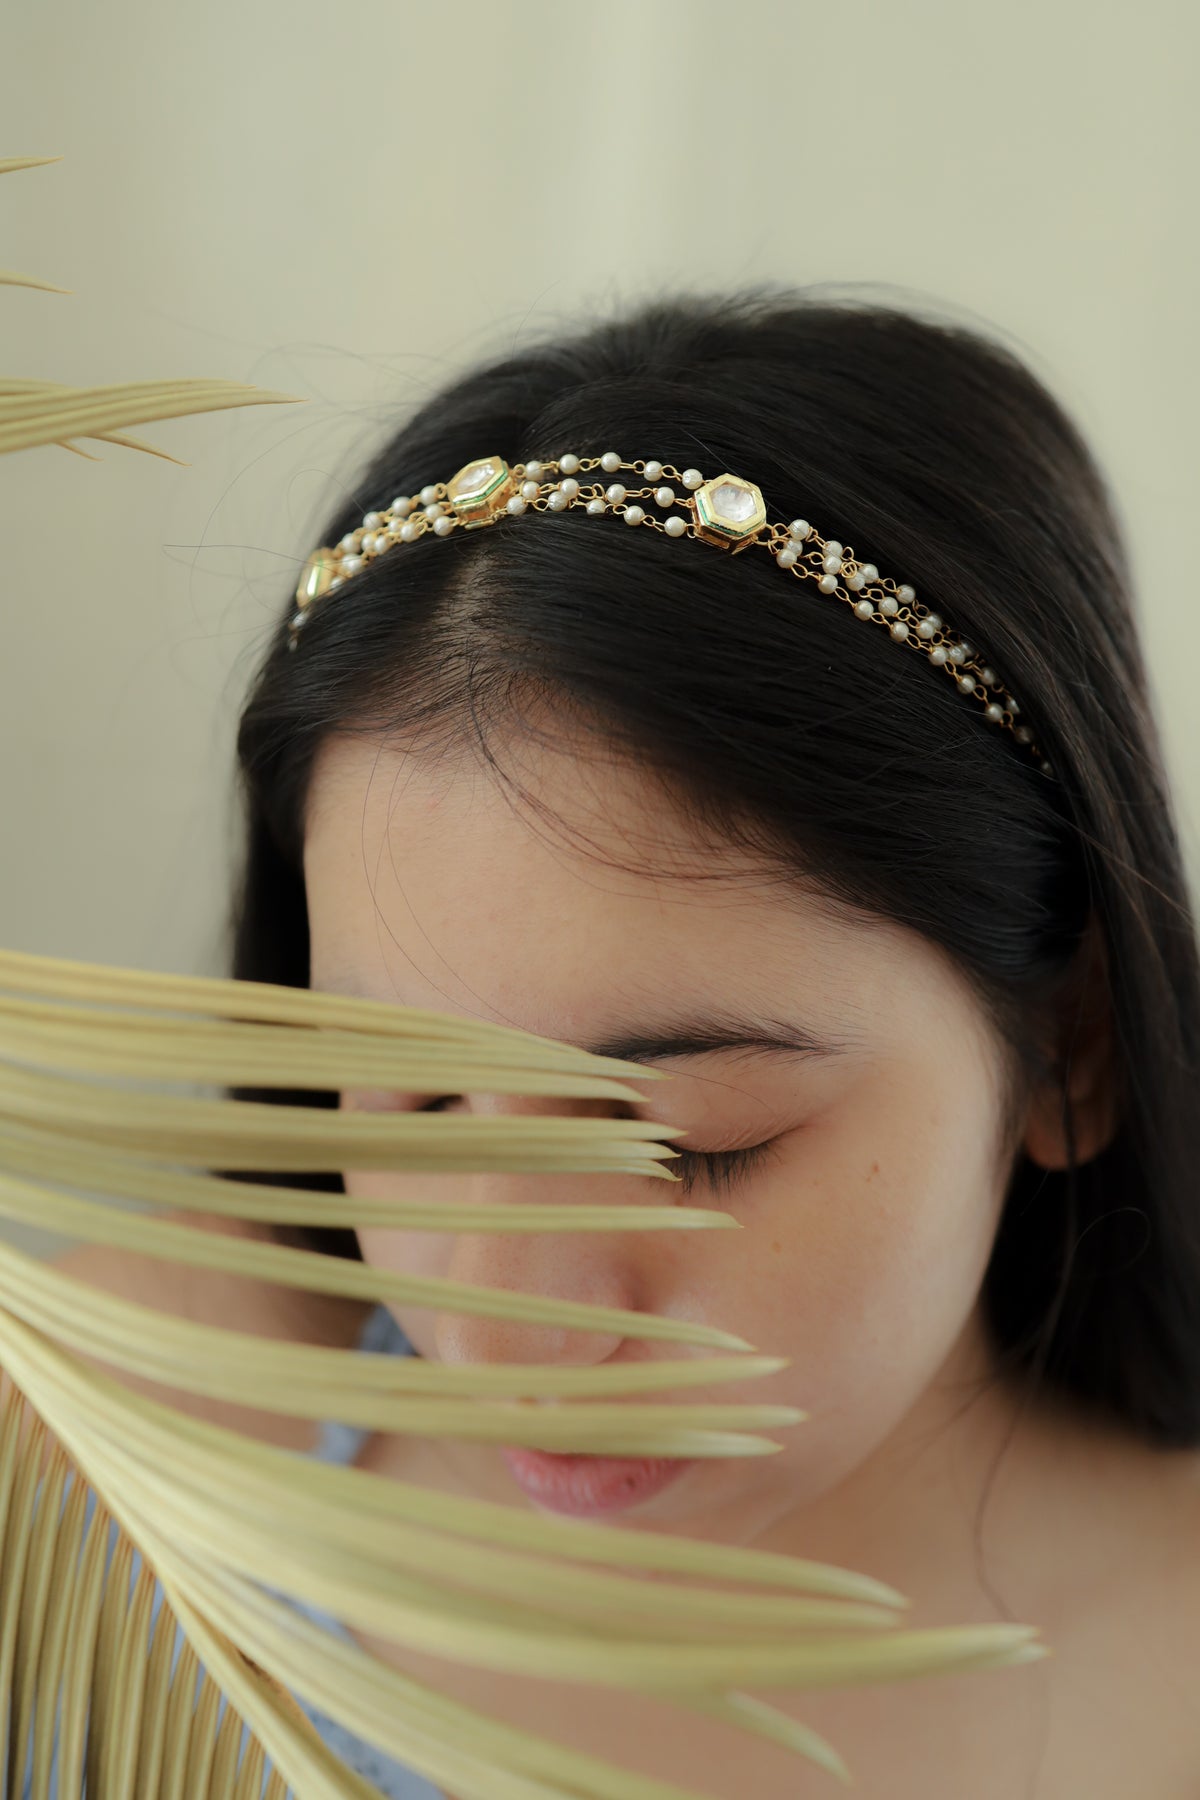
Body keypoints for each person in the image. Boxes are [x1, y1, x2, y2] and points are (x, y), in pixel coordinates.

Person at [39, 283, 1200, 1796]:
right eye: (413, 1104)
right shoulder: (111, 1441)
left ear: (1071, 1047)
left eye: (691, 1147)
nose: (506, 1332)